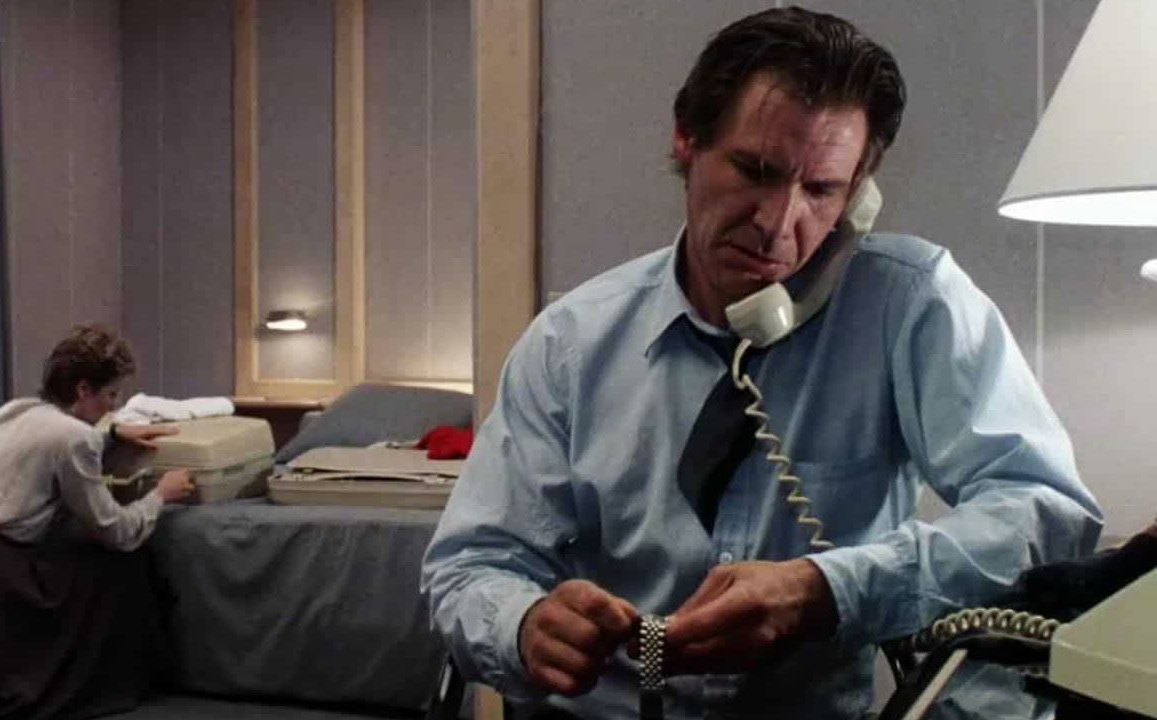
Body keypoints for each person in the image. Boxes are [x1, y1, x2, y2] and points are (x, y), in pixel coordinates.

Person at [421, 7, 1102, 719]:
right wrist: (523, 625)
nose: (779, 225)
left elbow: (1044, 510)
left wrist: (829, 588)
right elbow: (470, 565)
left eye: (821, 190)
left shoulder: (909, 304)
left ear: (858, 196)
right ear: (687, 140)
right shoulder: (570, 342)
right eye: (756, 171)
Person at [0, 324, 194, 720]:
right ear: (83, 389)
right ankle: (126, 681)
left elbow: (47, 443)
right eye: (111, 395)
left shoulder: (13, 411)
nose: (113, 407)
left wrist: (112, 434)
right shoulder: (75, 438)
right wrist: (160, 495)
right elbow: (116, 531)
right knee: (119, 565)